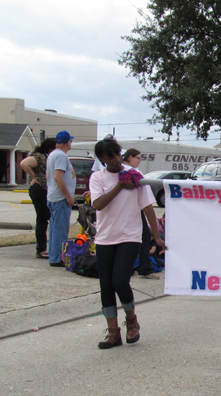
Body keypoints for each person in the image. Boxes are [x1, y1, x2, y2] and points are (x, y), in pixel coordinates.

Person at [89, 138, 164, 349]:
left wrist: (156, 235)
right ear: (102, 160)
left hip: (130, 236)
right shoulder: (98, 178)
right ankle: (113, 332)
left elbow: (148, 206)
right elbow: (98, 204)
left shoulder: (135, 176)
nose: (115, 160)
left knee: (120, 280)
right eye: (109, 158)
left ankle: (132, 321)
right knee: (106, 285)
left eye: (116, 155)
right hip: (105, 237)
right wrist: (120, 186)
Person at [123, 148, 159, 279]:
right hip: (135, 210)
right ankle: (145, 268)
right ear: (130, 157)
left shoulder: (117, 171)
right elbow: (147, 203)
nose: (139, 161)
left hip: (125, 211)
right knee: (143, 237)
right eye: (138, 158)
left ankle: (131, 267)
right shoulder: (134, 172)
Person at [19, 138, 56, 258]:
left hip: (44, 190)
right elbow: (24, 163)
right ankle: (40, 249)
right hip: (39, 189)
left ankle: (43, 248)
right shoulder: (39, 157)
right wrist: (34, 176)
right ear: (50, 148)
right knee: (42, 219)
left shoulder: (45, 157)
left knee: (45, 217)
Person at [45, 130, 76, 267]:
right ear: (67, 142)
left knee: (53, 227)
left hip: (52, 196)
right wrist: (68, 196)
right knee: (60, 229)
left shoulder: (52, 154)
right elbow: (58, 177)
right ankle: (58, 258)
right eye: (70, 141)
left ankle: (53, 254)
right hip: (60, 198)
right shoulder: (61, 156)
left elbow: (48, 176)